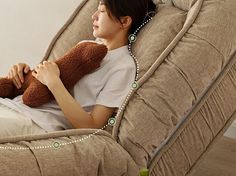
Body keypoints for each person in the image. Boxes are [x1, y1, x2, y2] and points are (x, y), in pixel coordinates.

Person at [0, 0, 157, 137]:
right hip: (13, 105)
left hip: (37, 122)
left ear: (124, 22)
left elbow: (92, 125)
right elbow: (52, 75)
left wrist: (53, 82)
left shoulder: (123, 67)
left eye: (102, 11)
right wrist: (23, 73)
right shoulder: (85, 46)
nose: (93, 15)